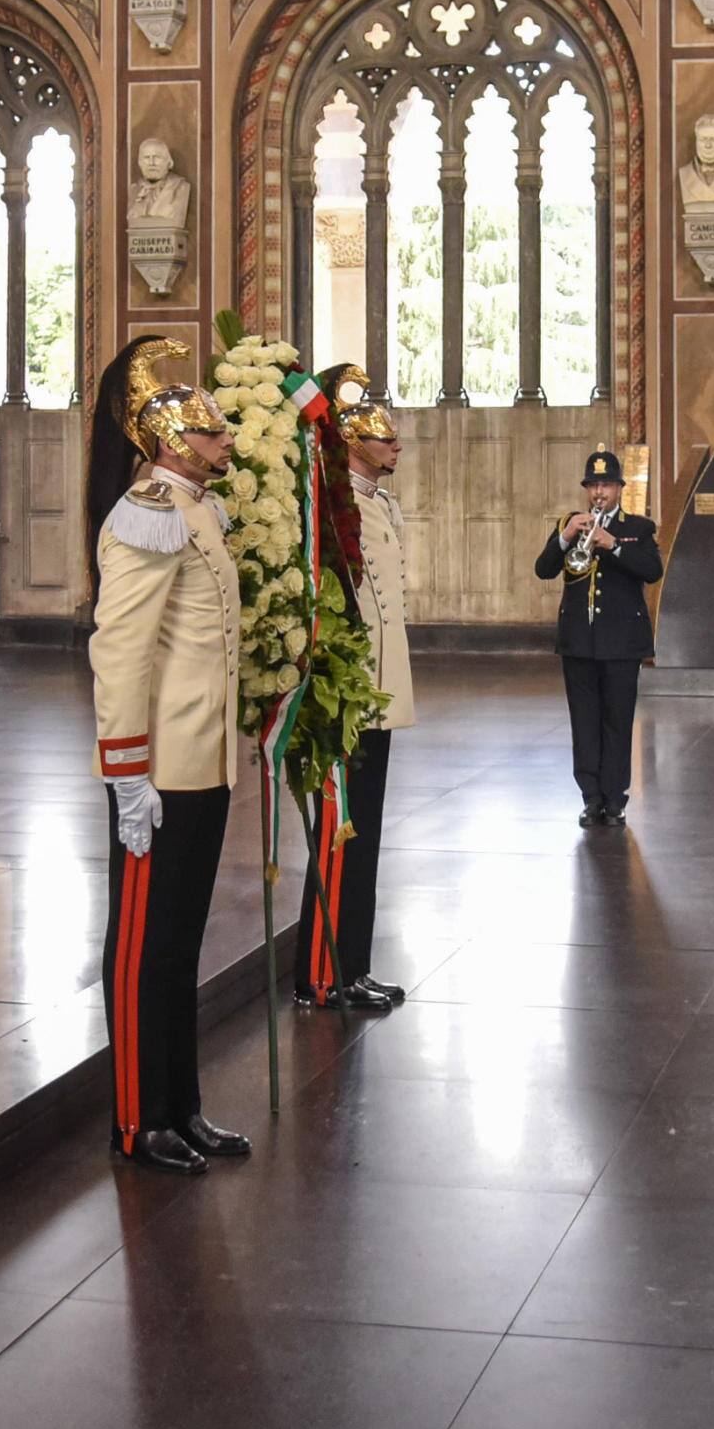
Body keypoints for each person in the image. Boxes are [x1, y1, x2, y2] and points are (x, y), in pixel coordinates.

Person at [86, 336, 252, 1177]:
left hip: (204, 761)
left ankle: (181, 1107)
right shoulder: (146, 512)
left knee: (181, 943)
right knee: (143, 946)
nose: (227, 441)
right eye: (214, 431)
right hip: (159, 772)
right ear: (171, 439)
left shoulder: (196, 511)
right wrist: (126, 774)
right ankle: (134, 1119)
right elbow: (122, 653)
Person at [294, 366, 412, 1014]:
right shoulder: (335, 511)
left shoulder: (376, 504)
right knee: (340, 835)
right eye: (383, 438)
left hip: (376, 694)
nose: (395, 446)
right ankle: (322, 974)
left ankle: (353, 965)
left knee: (361, 837)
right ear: (353, 443)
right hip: (348, 697)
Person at [536, 449, 663, 827]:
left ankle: (615, 798)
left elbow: (652, 570)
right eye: (593, 484)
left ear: (620, 488)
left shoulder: (639, 528)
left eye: (606, 484)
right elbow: (543, 569)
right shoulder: (569, 523)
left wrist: (614, 544)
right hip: (579, 641)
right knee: (585, 721)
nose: (599, 491)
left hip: (622, 643)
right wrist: (565, 538)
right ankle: (591, 798)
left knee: (617, 721)